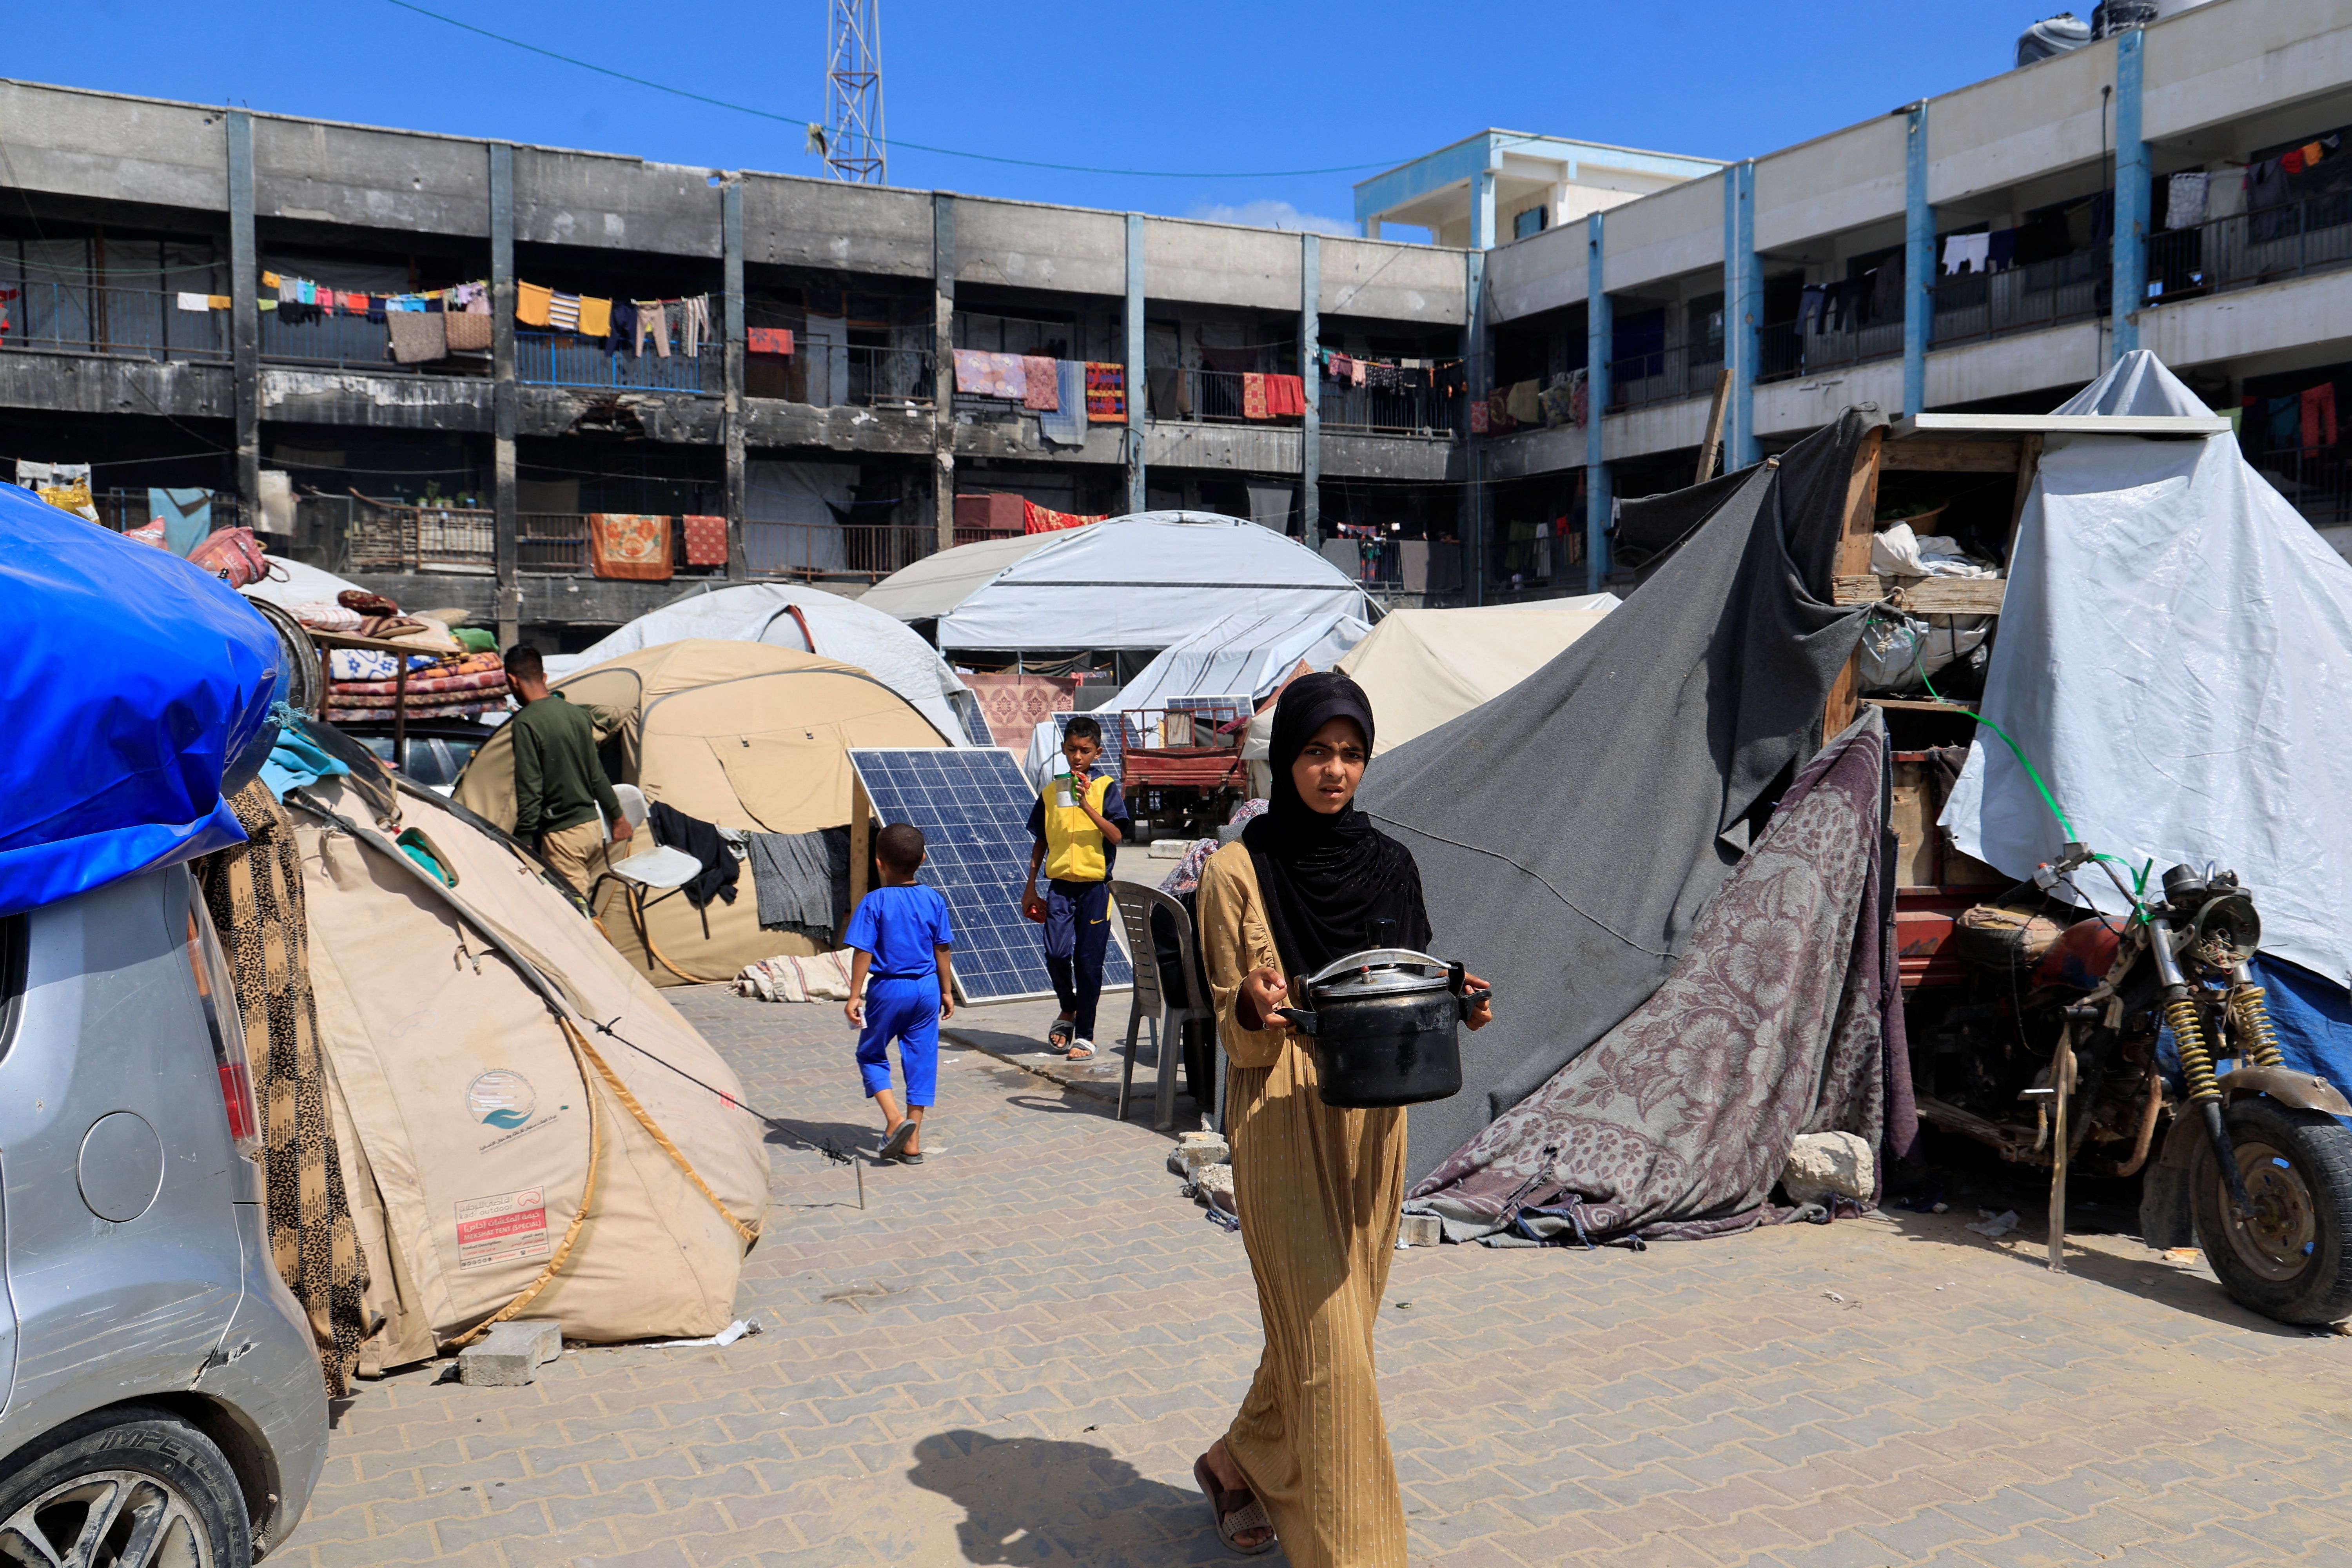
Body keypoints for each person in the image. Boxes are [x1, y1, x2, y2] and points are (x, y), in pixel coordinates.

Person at [1190, 672, 1491, 1564]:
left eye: (1351, 753)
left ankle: (1233, 1460)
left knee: (1337, 1336)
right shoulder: (1235, 872)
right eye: (1318, 751)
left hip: (1373, 1119)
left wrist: (1456, 1003)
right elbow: (1230, 1022)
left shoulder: (1390, 864)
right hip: (1280, 1113)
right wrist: (1252, 1005)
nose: (1334, 770)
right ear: (1287, 757)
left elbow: (1405, 985)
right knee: (1330, 1354)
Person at [1021, 715, 1133, 1061]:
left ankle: (1085, 1035)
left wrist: (1086, 806)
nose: (1077, 757)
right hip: (1060, 889)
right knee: (1056, 954)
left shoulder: (1106, 788)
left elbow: (1117, 835)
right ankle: (1067, 1008)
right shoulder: (1052, 791)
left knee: (1088, 962)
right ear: (1063, 749)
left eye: (1085, 751)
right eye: (1072, 750)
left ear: (1098, 752)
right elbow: (1041, 840)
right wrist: (1030, 887)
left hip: (1095, 889)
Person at [844, 822, 956, 1164]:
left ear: (879, 863)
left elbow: (863, 951)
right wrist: (947, 991)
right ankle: (913, 1143)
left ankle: (895, 1121)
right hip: (927, 989)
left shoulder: (874, 901)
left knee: (871, 1054)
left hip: (889, 989)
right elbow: (943, 948)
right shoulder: (933, 899)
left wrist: (854, 995)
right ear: (923, 859)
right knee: (922, 1060)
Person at [505, 644, 631, 897]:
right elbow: (596, 775)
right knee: (586, 900)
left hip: (563, 835)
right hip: (593, 829)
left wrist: (524, 839)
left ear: (512, 680)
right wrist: (618, 818)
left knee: (574, 910)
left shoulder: (526, 723)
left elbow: (530, 787)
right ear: (544, 677)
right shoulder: (577, 715)